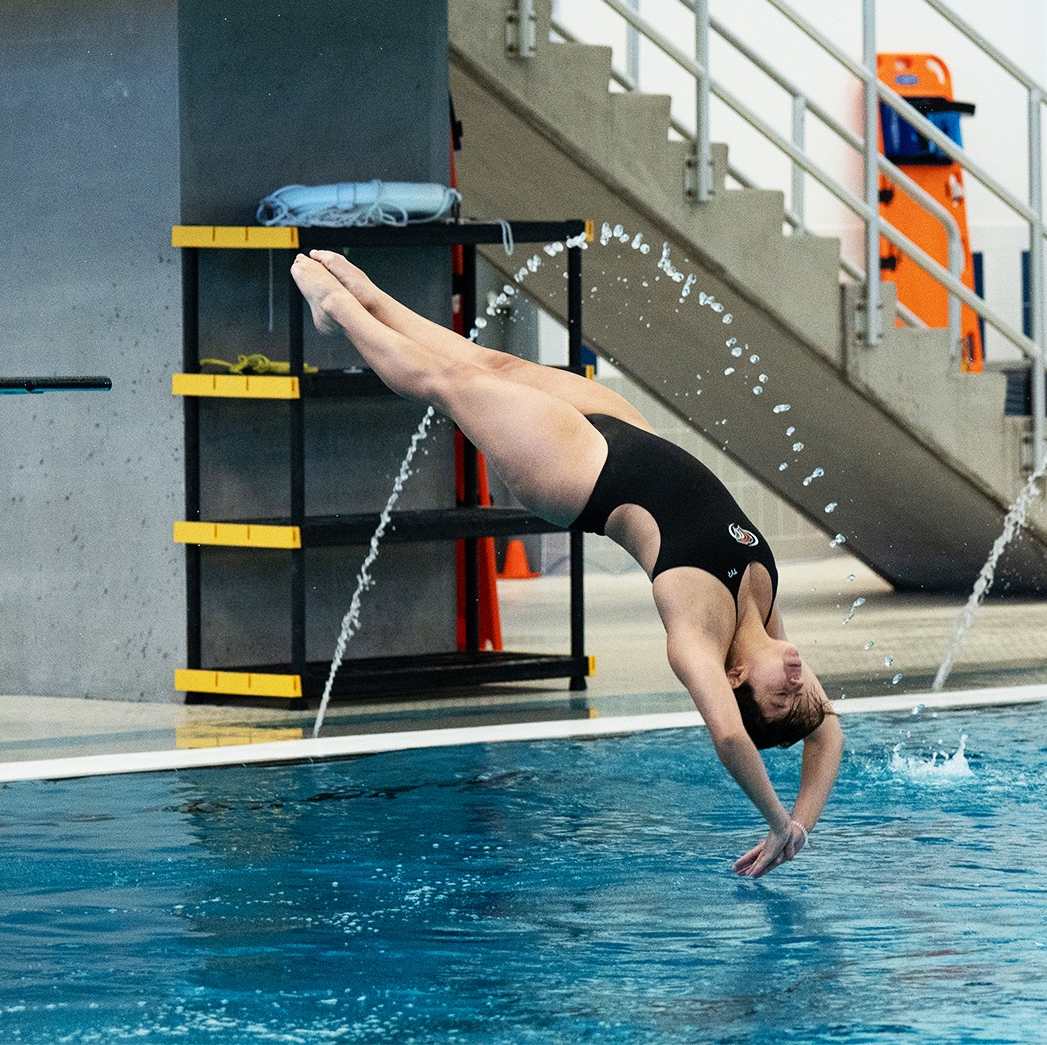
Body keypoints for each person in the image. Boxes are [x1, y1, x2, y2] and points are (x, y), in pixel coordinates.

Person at [289, 249, 844, 879]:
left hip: (575, 476)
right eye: (805, 689)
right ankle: (368, 295)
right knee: (488, 362)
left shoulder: (696, 637)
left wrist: (774, 824)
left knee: (448, 384)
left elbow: (730, 738)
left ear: (738, 677)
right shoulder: (769, 620)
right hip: (626, 433)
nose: (800, 677)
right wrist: (804, 821)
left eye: (783, 692)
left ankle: (335, 311)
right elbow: (826, 735)